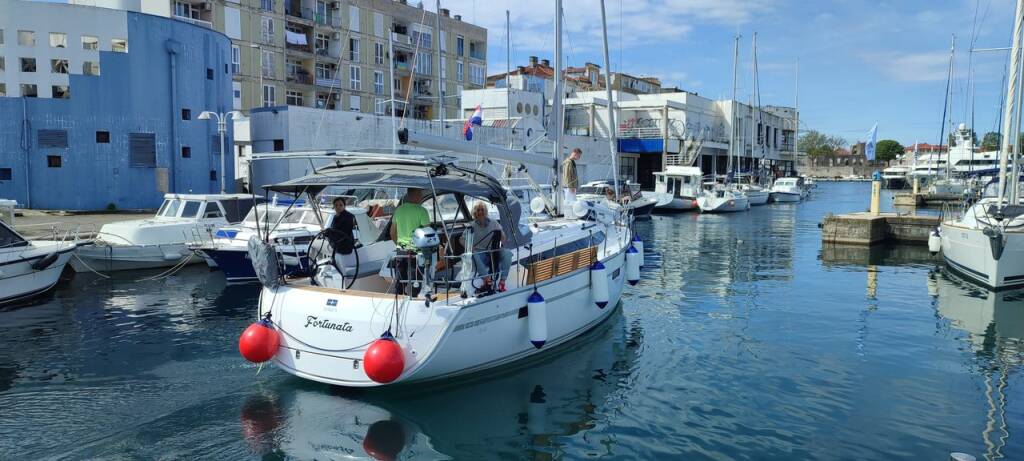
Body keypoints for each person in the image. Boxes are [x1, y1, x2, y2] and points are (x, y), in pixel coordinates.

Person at [460, 201, 512, 294]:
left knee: (507, 253)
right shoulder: (472, 225)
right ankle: (487, 280)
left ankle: (502, 282)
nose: (480, 212)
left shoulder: (493, 223)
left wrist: (501, 244)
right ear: (475, 213)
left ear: (485, 211)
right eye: (478, 210)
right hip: (480, 253)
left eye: (482, 210)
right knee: (474, 254)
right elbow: (462, 239)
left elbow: (503, 236)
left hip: (493, 251)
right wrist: (470, 247)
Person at [389, 188, 431, 295]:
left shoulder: (399, 210)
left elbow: (392, 233)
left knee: (399, 281)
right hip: (416, 252)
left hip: (401, 251)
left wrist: (399, 245)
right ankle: (414, 299)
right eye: (420, 193)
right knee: (415, 282)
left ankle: (398, 300)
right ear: (416, 195)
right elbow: (428, 234)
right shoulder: (422, 211)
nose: (421, 196)